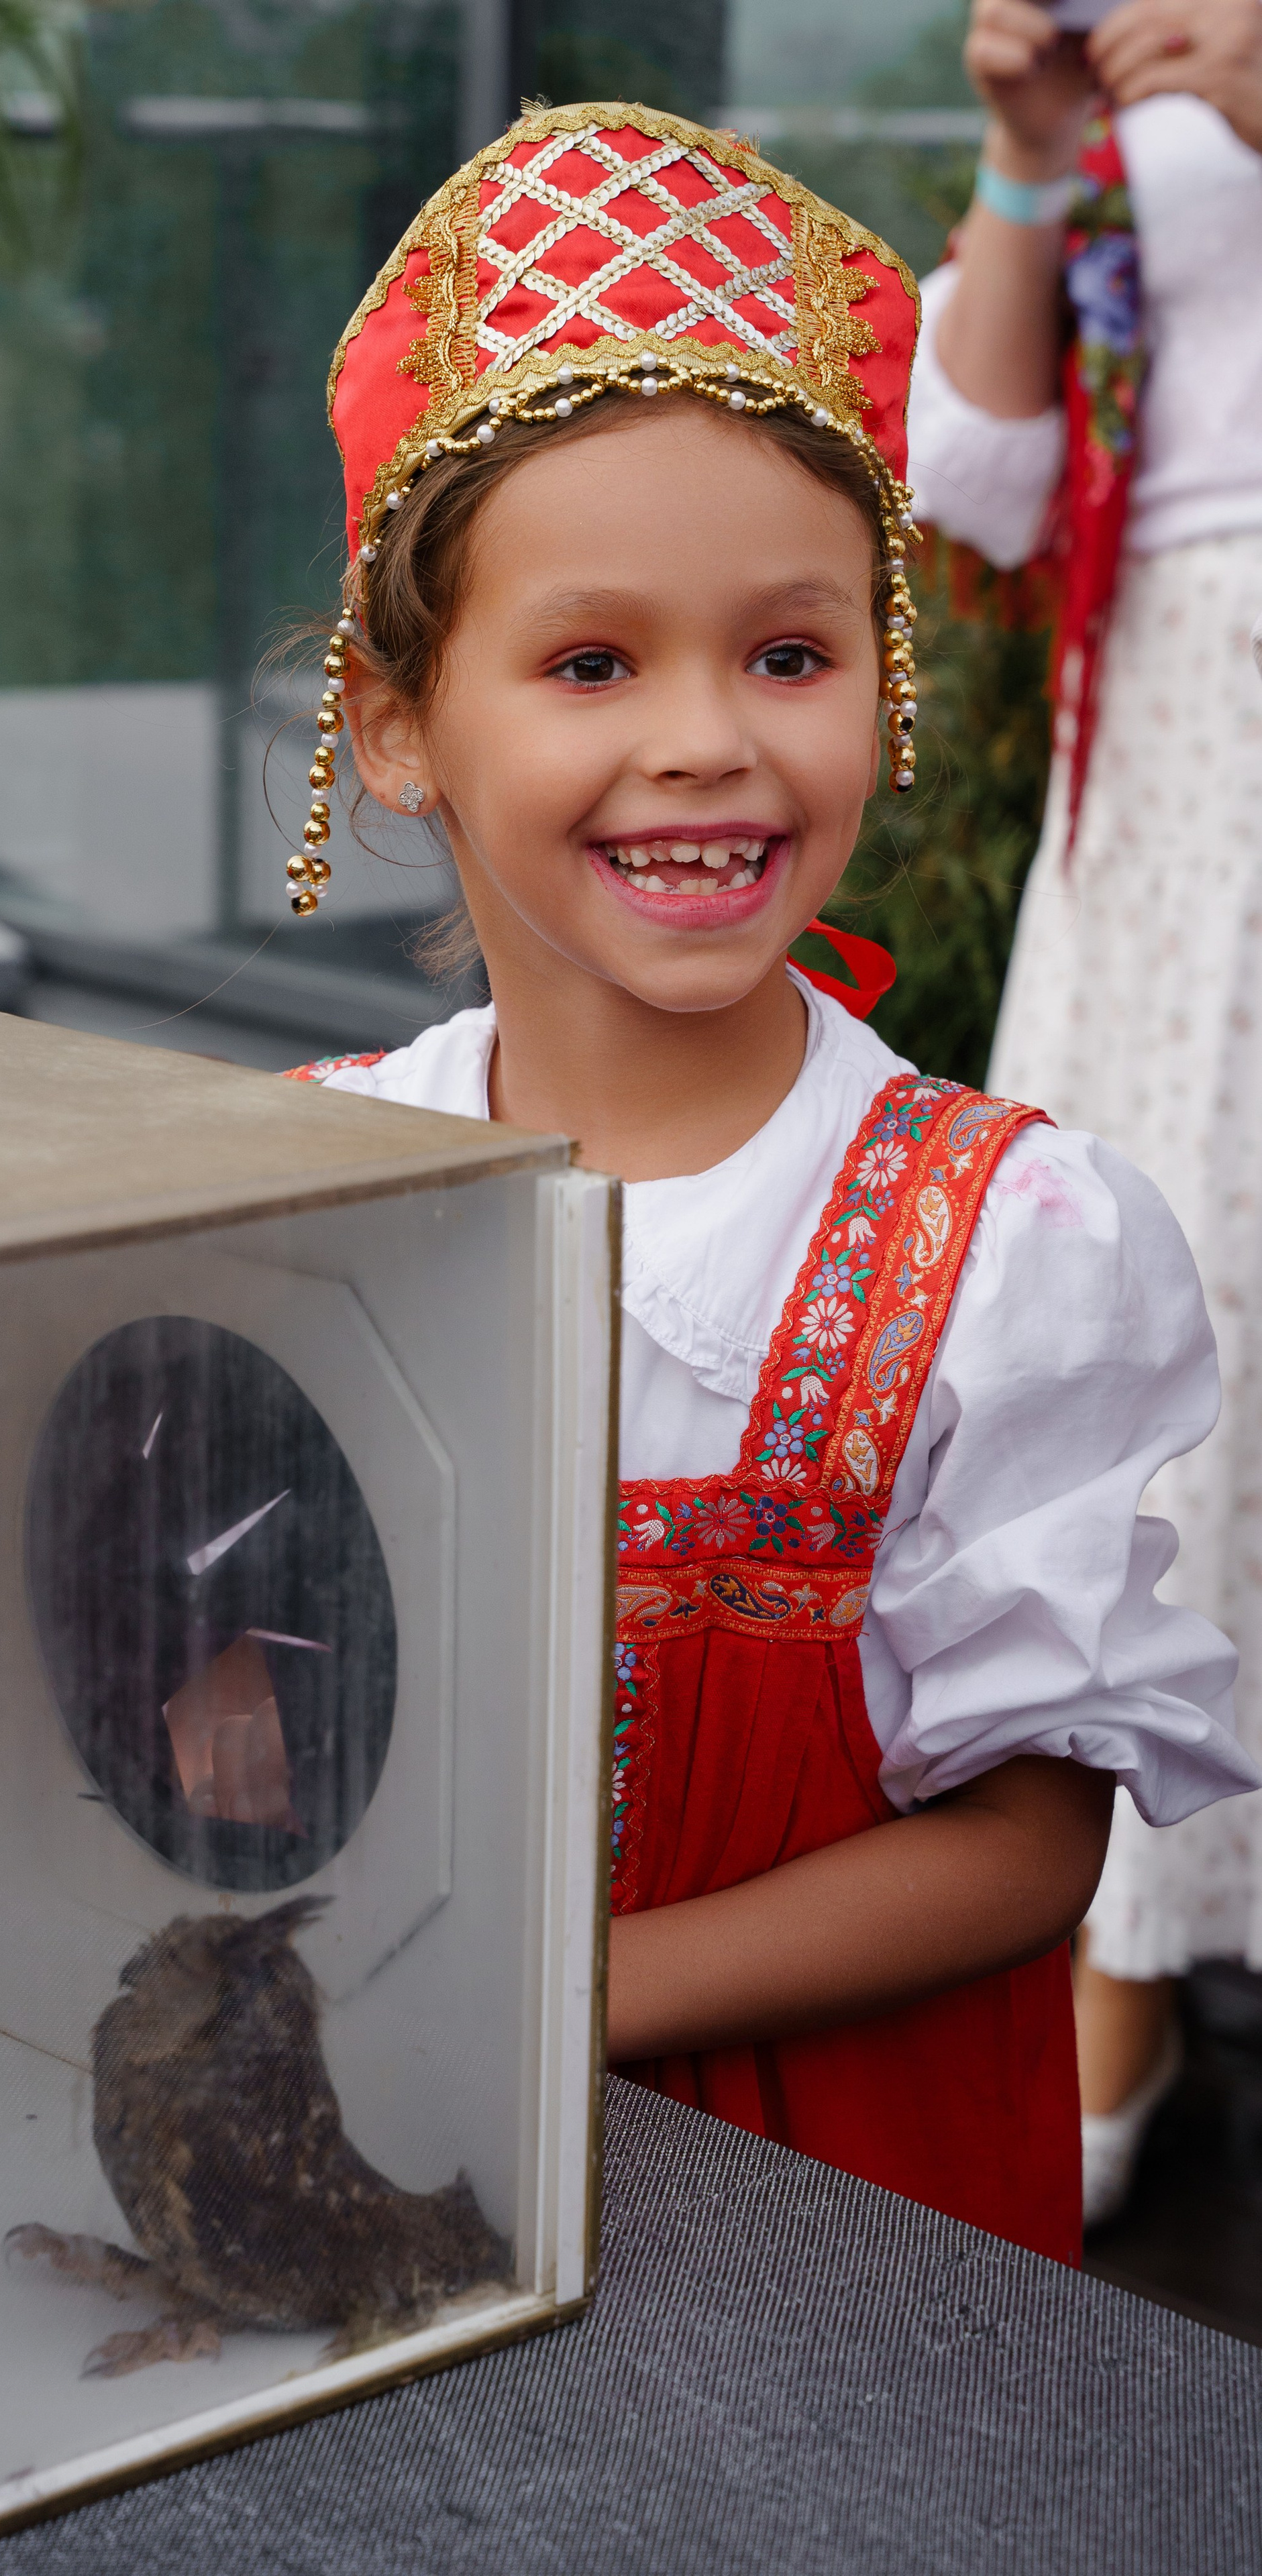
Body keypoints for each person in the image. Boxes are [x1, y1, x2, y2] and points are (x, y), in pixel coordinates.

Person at [277, 101, 1261, 2263]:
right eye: (594, 662)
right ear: (395, 720)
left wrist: (557, 1999)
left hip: (831, 2242)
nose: (712, 738)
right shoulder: (311, 1182)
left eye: (790, 654)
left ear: (882, 687)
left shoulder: (1001, 1250)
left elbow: (1025, 1845)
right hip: (383, 2187)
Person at [906, 0, 1262, 2223]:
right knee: (1163, 1298)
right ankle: (1121, 1933)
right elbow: (972, 477)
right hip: (1179, 718)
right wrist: (1036, 153)